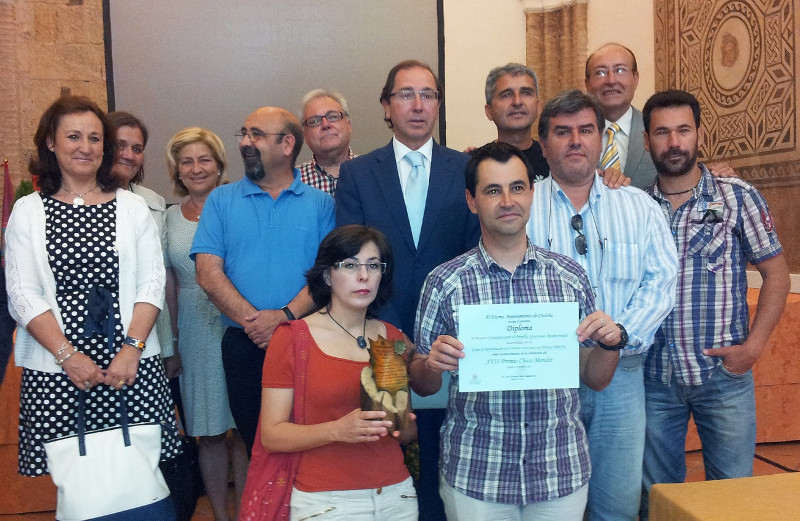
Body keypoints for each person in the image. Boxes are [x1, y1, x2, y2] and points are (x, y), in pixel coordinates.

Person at [409, 142, 620, 520]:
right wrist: (431, 365)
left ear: (532, 194)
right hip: (477, 472)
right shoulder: (444, 282)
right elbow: (422, 385)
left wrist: (611, 343)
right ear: (472, 201)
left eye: (517, 187)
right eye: (493, 190)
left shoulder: (570, 278)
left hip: (558, 470)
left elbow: (595, 378)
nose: (507, 200)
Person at [5, 95, 179, 494]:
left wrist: (132, 348)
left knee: (139, 478)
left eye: (96, 138)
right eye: (74, 136)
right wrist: (68, 356)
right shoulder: (28, 211)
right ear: (50, 142)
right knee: (77, 485)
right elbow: (22, 294)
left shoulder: (133, 207)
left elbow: (151, 284)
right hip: (58, 367)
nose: (86, 147)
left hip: (130, 364)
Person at [335, 59, 481, 521]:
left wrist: (442, 332)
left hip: (451, 343)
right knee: (390, 446)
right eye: (405, 94)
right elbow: (355, 257)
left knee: (446, 451)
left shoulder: (466, 168)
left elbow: (473, 253)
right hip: (383, 338)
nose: (418, 105)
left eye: (429, 94)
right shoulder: (358, 174)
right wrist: (392, 332)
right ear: (386, 105)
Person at [526, 89, 678, 521]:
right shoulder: (522, 207)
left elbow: (662, 279)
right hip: (546, 380)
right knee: (549, 503)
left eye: (586, 130)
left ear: (600, 138)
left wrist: (623, 331)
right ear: (543, 145)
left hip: (621, 379)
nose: (576, 140)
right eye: (562, 132)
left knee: (617, 505)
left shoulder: (638, 206)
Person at [638, 90, 790, 520]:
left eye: (683, 130)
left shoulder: (737, 197)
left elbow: (776, 274)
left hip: (724, 377)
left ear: (699, 134)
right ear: (647, 139)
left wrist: (753, 348)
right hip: (654, 378)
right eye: (662, 132)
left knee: (732, 500)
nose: (673, 142)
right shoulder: (635, 206)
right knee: (659, 498)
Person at [191, 106, 334, 453]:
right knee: (257, 445)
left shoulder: (322, 204)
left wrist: (283, 318)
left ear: (287, 144)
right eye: (243, 133)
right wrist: (258, 324)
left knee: (309, 442)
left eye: (256, 134)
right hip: (243, 343)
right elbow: (208, 273)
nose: (244, 142)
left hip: (307, 340)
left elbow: (329, 274)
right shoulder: (221, 200)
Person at [259, 225, 418, 520]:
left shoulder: (392, 337)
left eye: (373, 265)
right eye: (350, 265)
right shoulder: (293, 338)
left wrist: (404, 425)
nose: (364, 276)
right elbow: (271, 435)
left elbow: (404, 433)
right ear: (327, 275)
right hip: (326, 501)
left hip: (398, 495)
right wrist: (337, 430)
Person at [164, 127, 248, 521]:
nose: (196, 169)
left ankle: (249, 512)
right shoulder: (167, 218)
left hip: (241, 326)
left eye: (204, 159)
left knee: (246, 430)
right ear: (176, 170)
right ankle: (220, 515)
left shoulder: (240, 205)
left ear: (219, 164)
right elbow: (168, 286)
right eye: (187, 161)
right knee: (210, 434)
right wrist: (173, 343)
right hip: (195, 334)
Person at [108, 111, 177, 377]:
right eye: (120, 145)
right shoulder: (80, 203)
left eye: (137, 148)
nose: (128, 155)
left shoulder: (154, 203)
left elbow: (162, 279)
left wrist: (170, 347)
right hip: (100, 335)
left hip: (150, 337)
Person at [482, 63, 549, 181]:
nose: (517, 102)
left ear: (538, 106)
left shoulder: (554, 159)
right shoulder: (473, 163)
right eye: (506, 95)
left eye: (526, 93)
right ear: (489, 111)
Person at [298, 89, 356, 196]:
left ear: (349, 125)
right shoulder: (293, 182)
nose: (325, 125)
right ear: (305, 135)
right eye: (315, 121)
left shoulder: (373, 172)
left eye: (333, 117)